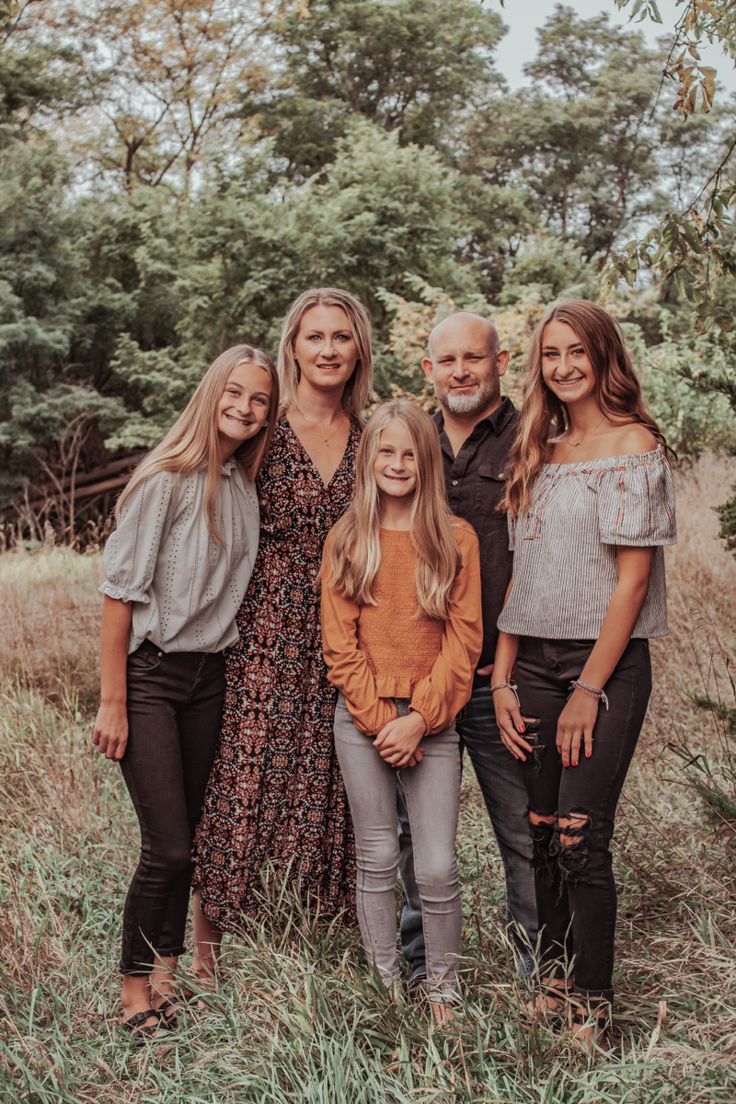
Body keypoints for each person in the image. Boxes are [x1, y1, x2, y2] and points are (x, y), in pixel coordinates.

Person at [492, 299, 676, 1050]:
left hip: (603, 665)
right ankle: (554, 983)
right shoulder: (539, 446)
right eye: (549, 354)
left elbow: (632, 586)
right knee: (537, 834)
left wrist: (589, 693)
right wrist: (501, 677)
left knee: (578, 836)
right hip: (528, 660)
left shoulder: (636, 447)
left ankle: (595, 1006)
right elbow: (522, 576)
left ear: (604, 356)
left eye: (577, 352)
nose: (562, 366)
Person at [92, 344, 278, 1042]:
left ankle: (168, 971)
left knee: (191, 841)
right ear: (211, 392)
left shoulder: (239, 483)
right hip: (151, 675)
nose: (245, 407)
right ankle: (134, 988)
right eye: (235, 392)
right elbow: (118, 597)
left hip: (210, 679)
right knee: (166, 847)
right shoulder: (164, 480)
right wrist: (113, 700)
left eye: (260, 399)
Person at [192, 288, 373, 970]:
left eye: (341, 337)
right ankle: (209, 954)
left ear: (359, 349)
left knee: (330, 790)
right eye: (314, 336)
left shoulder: (371, 436)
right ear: (291, 346)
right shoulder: (262, 426)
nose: (327, 350)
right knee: (239, 782)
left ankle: (314, 941)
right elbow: (200, 498)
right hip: (259, 632)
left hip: (344, 633)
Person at [321, 398, 483, 1023]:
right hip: (362, 722)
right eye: (385, 452)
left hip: (432, 724)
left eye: (409, 453)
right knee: (378, 855)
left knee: (438, 865)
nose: (397, 463)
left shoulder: (454, 539)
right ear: (368, 459)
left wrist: (419, 717)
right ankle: (386, 982)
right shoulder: (348, 538)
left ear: (427, 461)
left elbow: (464, 643)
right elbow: (340, 644)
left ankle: (442, 990)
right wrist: (380, 719)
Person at [398, 312, 537, 988]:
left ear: (500, 361)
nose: (460, 371)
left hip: (497, 678)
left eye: (473, 358)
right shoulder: (405, 440)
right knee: (411, 842)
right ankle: (422, 971)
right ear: (428, 369)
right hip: (413, 686)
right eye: (446, 360)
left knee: (523, 832)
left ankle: (543, 975)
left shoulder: (533, 439)